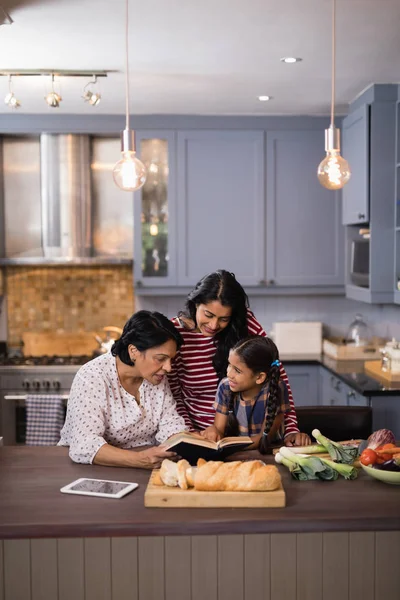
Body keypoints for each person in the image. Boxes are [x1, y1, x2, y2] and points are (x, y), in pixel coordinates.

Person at [168, 269, 311, 446]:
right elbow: (174, 395)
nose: (214, 325)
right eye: (208, 315)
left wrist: (291, 430)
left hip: (247, 435)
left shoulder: (244, 323)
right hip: (203, 435)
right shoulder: (175, 334)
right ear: (196, 303)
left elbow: (276, 376)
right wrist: (191, 434)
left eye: (223, 319)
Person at [59, 310, 188, 468]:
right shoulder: (92, 377)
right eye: (161, 359)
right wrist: (140, 459)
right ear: (133, 351)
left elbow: (171, 423)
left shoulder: (155, 375)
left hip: (144, 469)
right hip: (90, 470)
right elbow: (84, 445)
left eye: (171, 359)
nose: (168, 368)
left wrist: (183, 441)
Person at [202, 336, 290, 453]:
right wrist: (213, 431)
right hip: (237, 453)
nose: (229, 373)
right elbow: (219, 429)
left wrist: (228, 448)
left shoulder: (276, 388)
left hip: (267, 452)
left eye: (237, 370)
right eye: (229, 365)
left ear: (259, 377)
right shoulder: (225, 386)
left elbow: (262, 439)